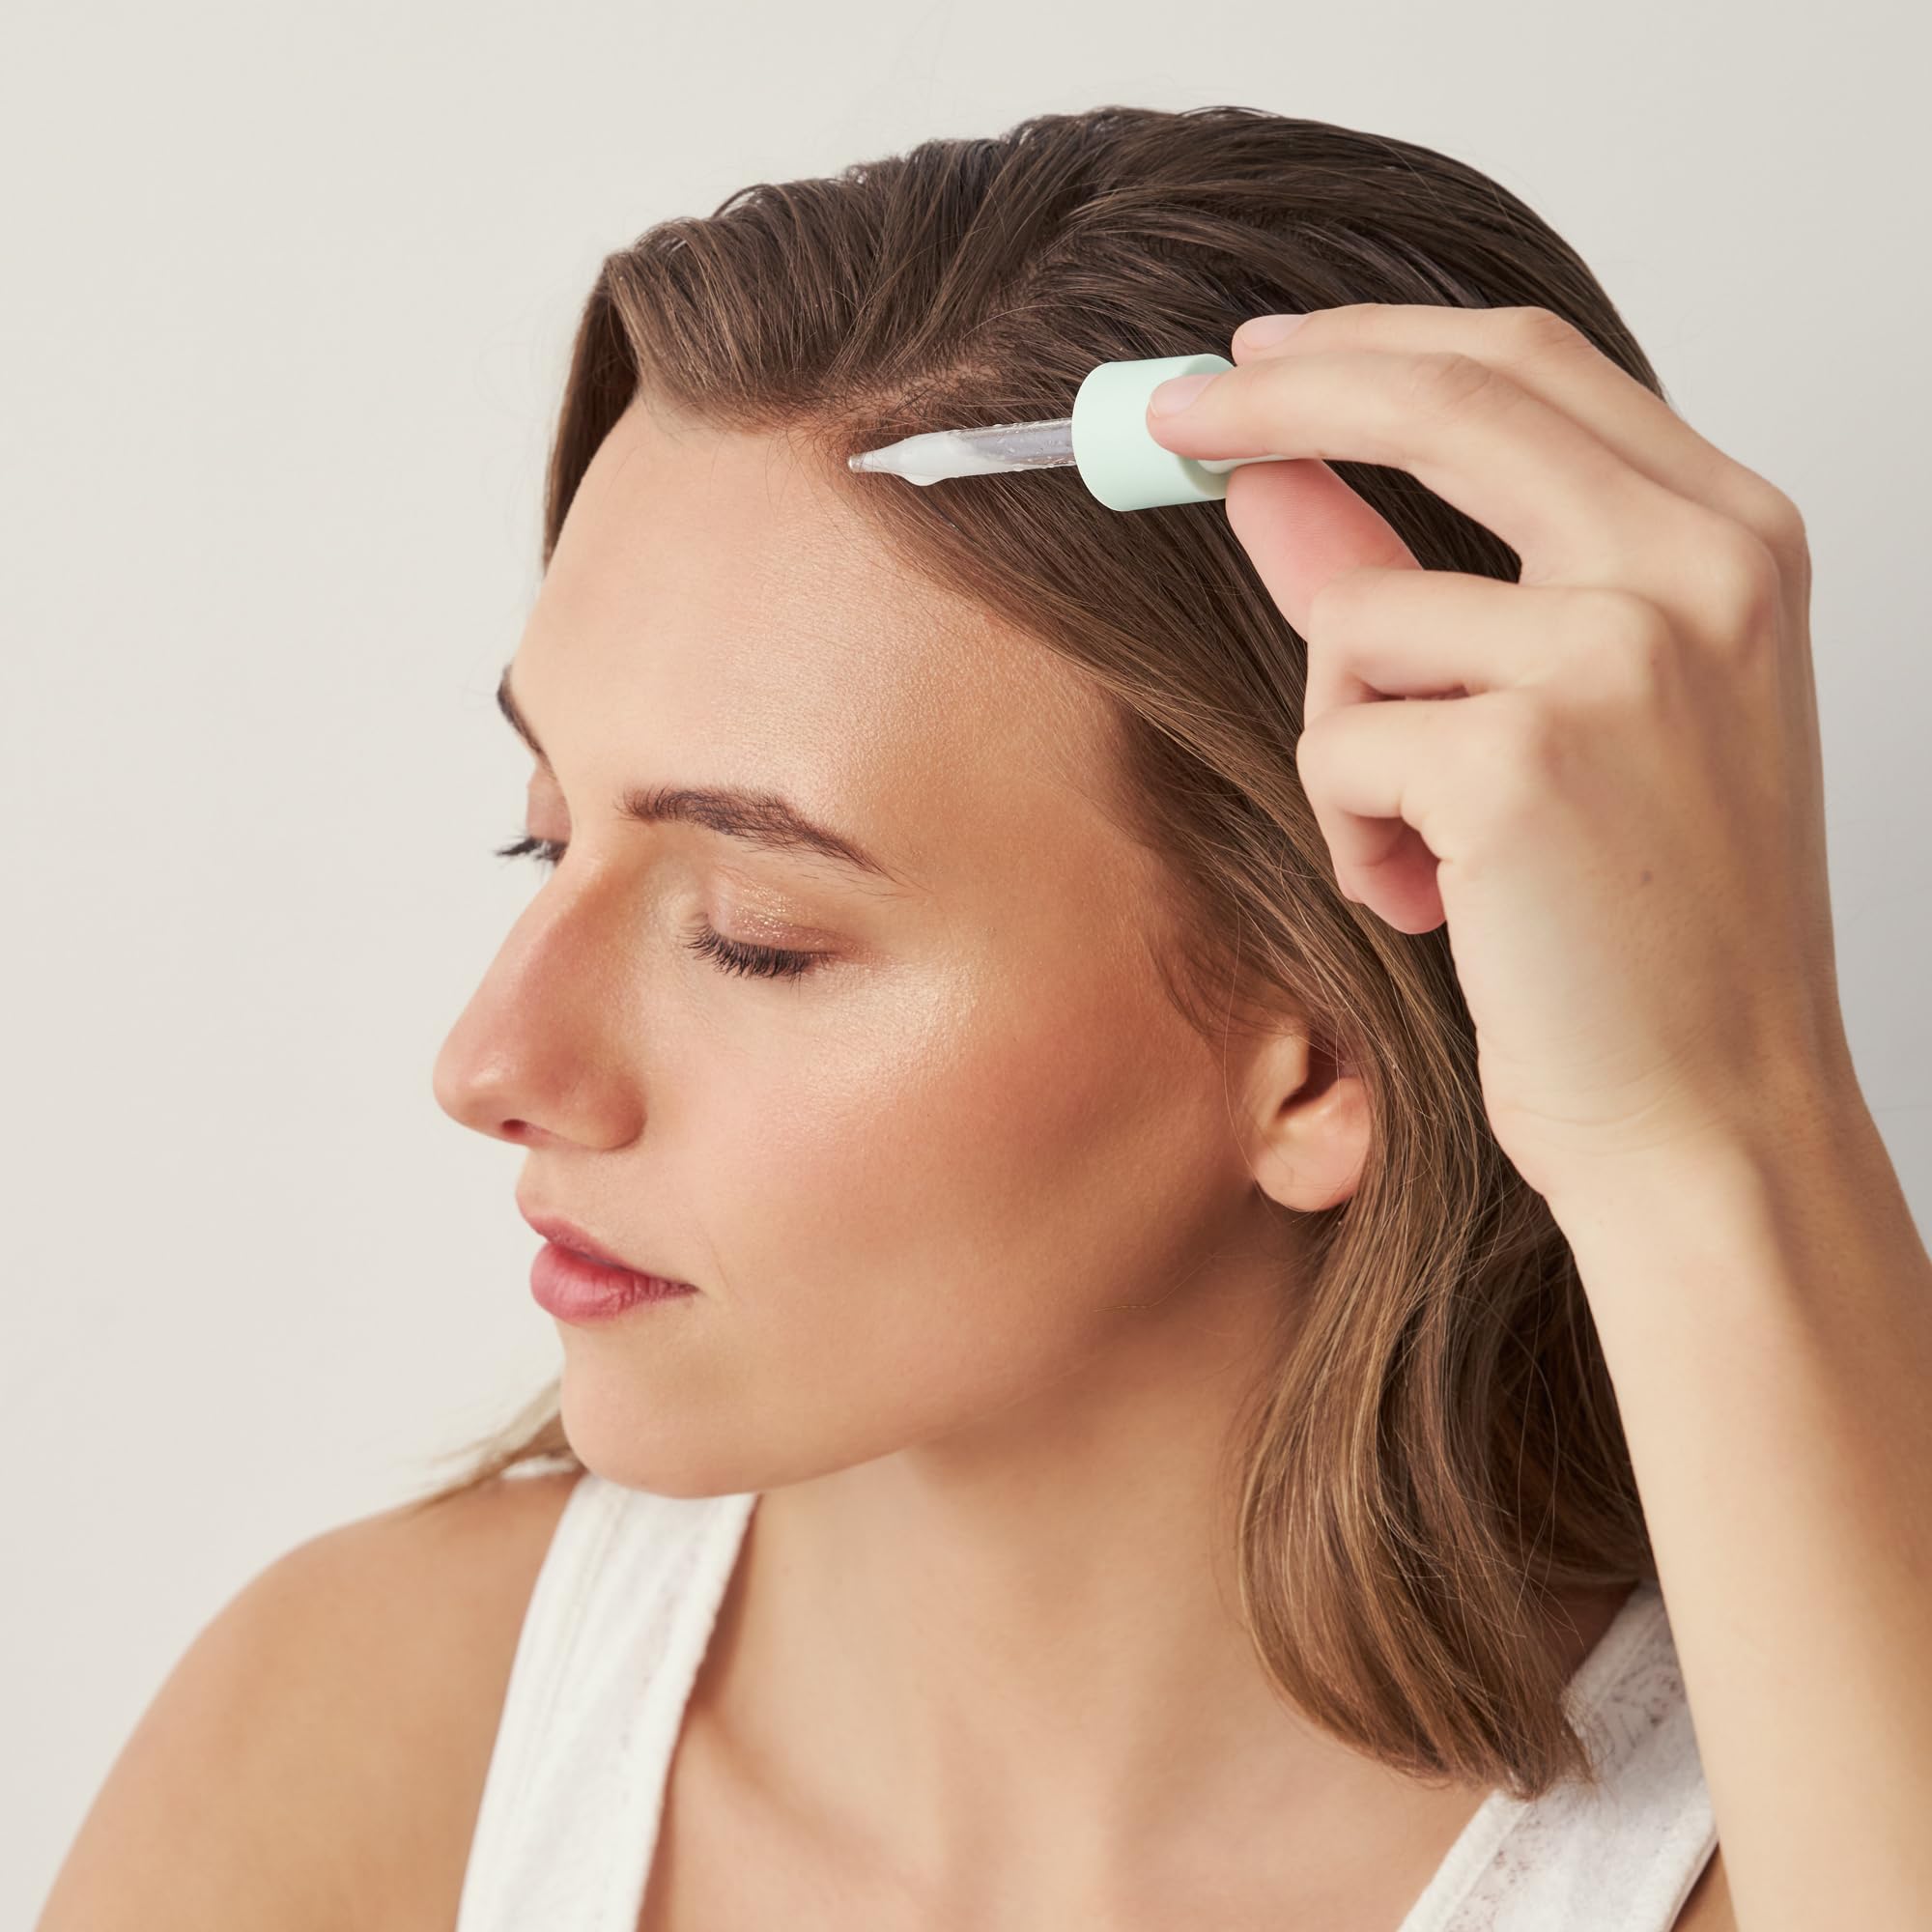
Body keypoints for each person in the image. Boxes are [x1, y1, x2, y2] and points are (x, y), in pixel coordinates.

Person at [43, 101, 1810, 1929]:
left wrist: (1727, 1125)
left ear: (1323, 1057)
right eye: (543, 835)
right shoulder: (361, 1740)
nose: (491, 1067)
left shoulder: (1808, 1839)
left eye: (754, 938)